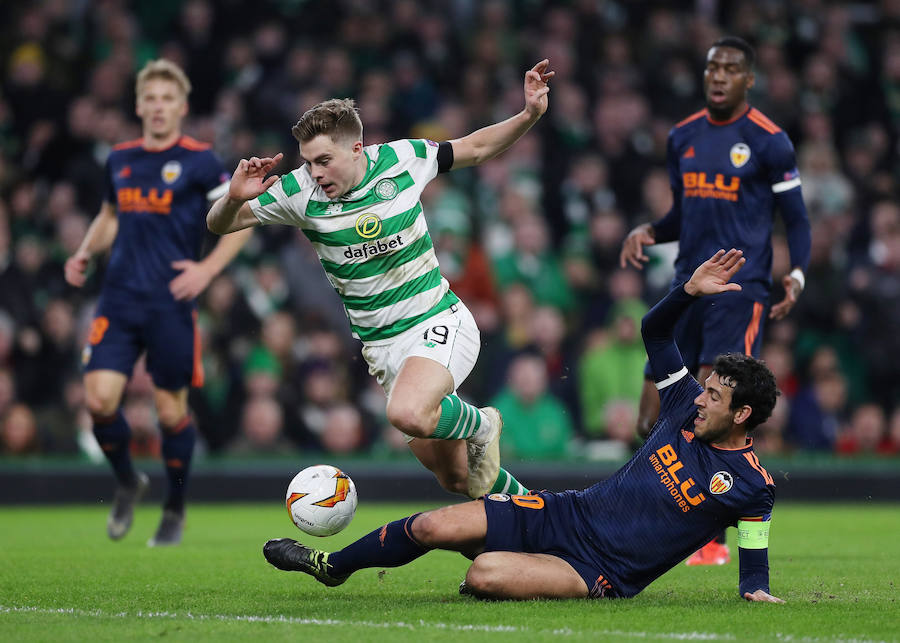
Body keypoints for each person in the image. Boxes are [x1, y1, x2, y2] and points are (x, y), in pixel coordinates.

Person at [262, 249, 783, 604]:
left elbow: (753, 563)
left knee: (482, 575)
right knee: (430, 526)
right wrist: (687, 292)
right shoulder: (682, 405)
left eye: (715, 395)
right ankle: (331, 566)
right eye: (706, 387)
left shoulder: (753, 485)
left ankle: (506, 545)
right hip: (567, 514)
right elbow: (655, 330)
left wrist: (755, 592)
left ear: (741, 415)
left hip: (598, 570)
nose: (702, 397)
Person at [207, 60, 556, 500]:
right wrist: (232, 198)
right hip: (381, 349)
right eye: (309, 162)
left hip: (436, 320)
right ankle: (540, 518)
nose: (315, 173)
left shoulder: (402, 159)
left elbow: (476, 148)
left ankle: (484, 422)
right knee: (455, 477)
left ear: (356, 150)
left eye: (324, 161)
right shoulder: (299, 192)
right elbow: (219, 224)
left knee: (408, 413)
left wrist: (527, 116)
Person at [619, 36, 810, 565]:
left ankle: (713, 539)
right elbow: (685, 214)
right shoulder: (682, 136)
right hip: (687, 285)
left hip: (739, 291)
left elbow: (795, 218)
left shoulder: (770, 141)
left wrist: (795, 271)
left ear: (748, 79)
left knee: (710, 406)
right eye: (712, 68)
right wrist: (651, 231)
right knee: (649, 418)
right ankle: (648, 517)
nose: (719, 76)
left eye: (730, 69)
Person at [64, 60, 252, 546]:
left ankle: (174, 506)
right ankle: (129, 481)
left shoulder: (200, 161)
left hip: (171, 302)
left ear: (182, 107)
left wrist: (207, 270)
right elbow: (109, 214)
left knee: (171, 414)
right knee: (98, 401)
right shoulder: (120, 158)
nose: (159, 107)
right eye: (151, 98)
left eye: (168, 99)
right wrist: (85, 251)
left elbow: (242, 219)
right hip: (120, 299)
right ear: (138, 105)